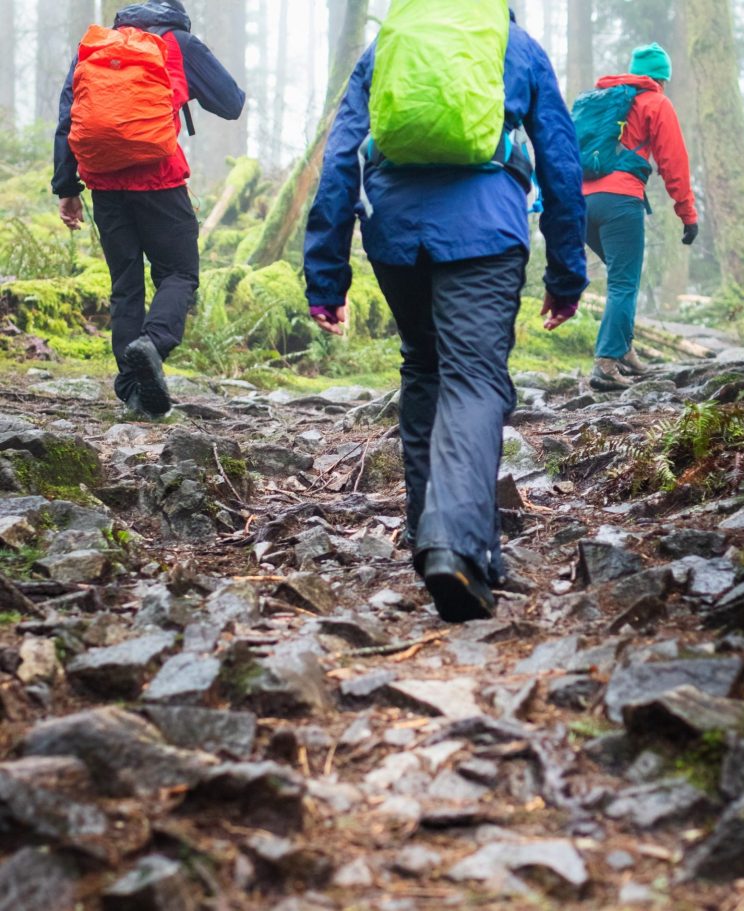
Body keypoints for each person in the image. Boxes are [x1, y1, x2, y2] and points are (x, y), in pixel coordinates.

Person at [304, 7, 588, 623]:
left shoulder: (387, 47)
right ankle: (454, 544)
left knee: (426, 371)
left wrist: (326, 273)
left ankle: (444, 541)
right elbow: (561, 160)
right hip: (487, 229)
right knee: (474, 378)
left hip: (396, 232)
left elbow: (342, 157)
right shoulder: (516, 44)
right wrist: (567, 270)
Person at [53, 0, 245, 417]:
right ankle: (153, 345)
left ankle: (132, 391)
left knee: (126, 284)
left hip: (104, 184)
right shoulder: (179, 42)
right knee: (179, 273)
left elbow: (68, 117)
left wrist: (67, 187)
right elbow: (231, 103)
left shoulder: (95, 46)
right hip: (159, 180)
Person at [583, 43, 698, 391]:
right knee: (624, 281)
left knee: (625, 277)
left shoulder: (601, 100)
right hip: (619, 201)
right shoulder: (655, 102)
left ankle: (624, 351)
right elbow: (673, 163)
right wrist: (687, 212)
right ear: (662, 77)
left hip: (580, 202)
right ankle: (605, 362)